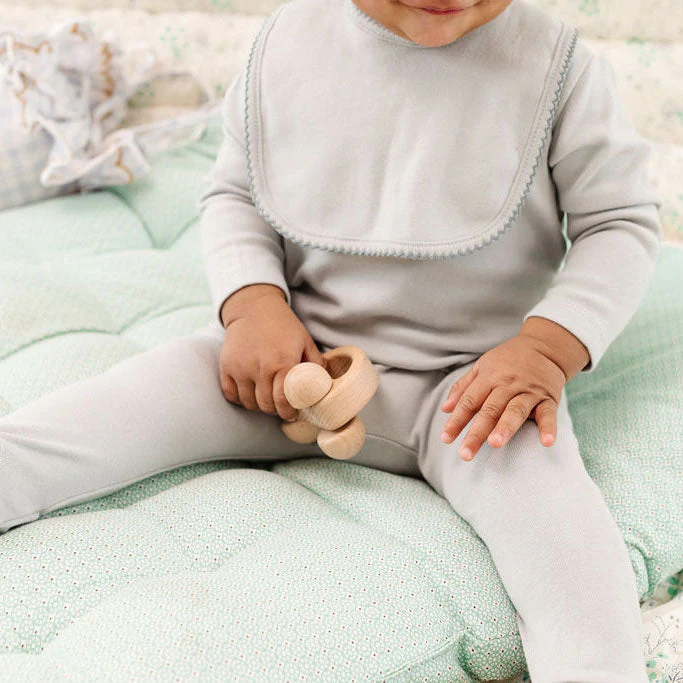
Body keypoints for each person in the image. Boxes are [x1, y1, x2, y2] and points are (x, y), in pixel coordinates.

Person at [0, 0, 661, 679]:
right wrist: (253, 304)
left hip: (475, 389)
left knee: (573, 559)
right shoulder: (287, 44)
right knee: (85, 422)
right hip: (289, 363)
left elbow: (620, 221)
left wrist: (546, 348)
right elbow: (233, 194)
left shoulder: (560, 70)